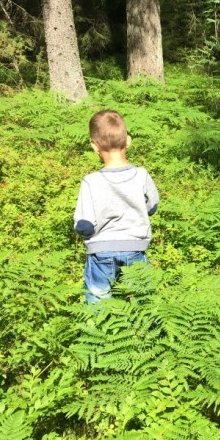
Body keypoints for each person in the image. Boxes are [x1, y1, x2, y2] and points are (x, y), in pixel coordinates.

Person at [73, 109, 160, 303]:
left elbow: (85, 224)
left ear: (94, 146)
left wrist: (85, 232)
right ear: (128, 141)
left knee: (98, 298)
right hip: (135, 248)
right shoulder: (142, 175)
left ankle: (98, 328)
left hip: (100, 252)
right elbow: (152, 205)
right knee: (142, 298)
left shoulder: (90, 181)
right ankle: (148, 329)